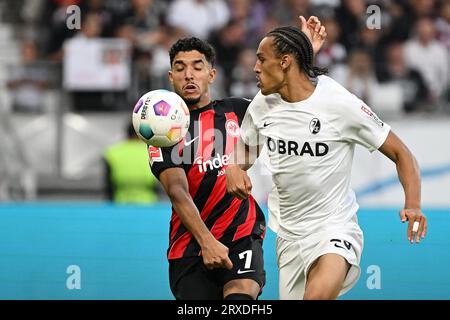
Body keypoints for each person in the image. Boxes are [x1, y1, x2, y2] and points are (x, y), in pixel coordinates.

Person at [225, 25, 428, 300]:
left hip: (335, 227)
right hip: (289, 236)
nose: (255, 68)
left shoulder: (340, 104)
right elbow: (245, 151)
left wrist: (413, 204)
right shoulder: (262, 104)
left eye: (261, 59)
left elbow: (402, 154)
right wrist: (235, 168)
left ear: (285, 62)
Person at [147, 17, 327, 300]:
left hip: (242, 234)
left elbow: (288, 92)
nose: (189, 75)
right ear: (171, 77)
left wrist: (303, 54)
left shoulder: (241, 110)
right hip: (190, 247)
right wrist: (207, 242)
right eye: (180, 68)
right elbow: (177, 192)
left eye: (197, 67)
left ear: (212, 74)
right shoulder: (161, 129)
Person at [103, 123, 159, 204]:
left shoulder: (112, 152)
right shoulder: (153, 151)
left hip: (119, 205)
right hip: (149, 205)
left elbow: (108, 186)